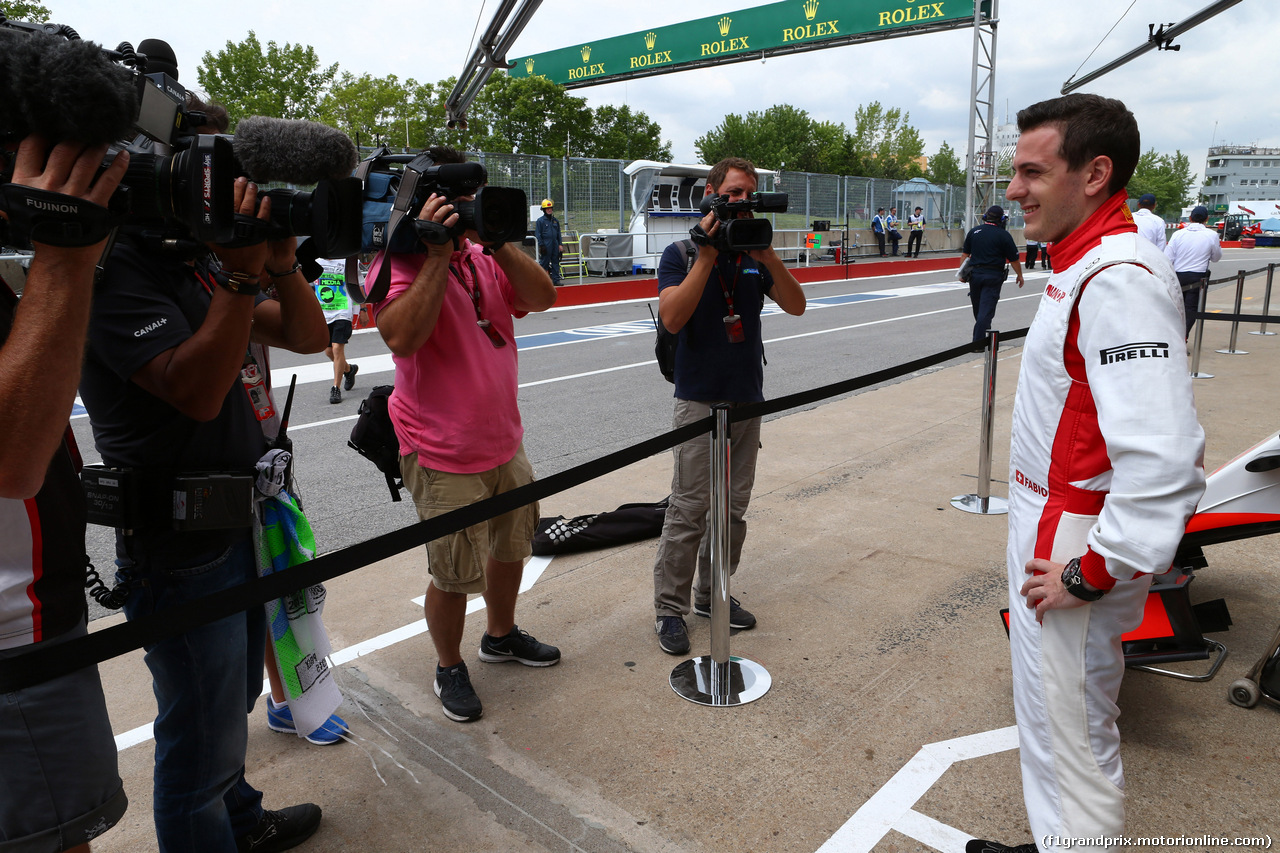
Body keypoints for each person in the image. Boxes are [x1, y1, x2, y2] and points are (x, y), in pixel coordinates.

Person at [78, 96, 330, 853]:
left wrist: (276, 265)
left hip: (240, 521)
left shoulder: (199, 259)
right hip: (179, 539)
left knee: (233, 701)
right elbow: (194, 389)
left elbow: (312, 337)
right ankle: (215, 822)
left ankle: (241, 819)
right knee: (198, 733)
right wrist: (235, 277)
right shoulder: (116, 266)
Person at [968, 93, 1205, 853]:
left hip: (1070, 538)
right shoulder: (1087, 263)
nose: (1013, 189)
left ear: (1096, 173)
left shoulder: (1119, 279)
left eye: (1032, 171)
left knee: (1072, 736)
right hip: (1050, 522)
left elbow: (1166, 459)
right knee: (1046, 715)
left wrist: (1091, 573)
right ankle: (1053, 839)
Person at [369, 145, 560, 724]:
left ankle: (499, 635)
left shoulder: (484, 255)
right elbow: (400, 337)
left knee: (511, 549)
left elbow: (543, 297)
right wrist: (434, 255)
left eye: (470, 200)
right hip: (440, 450)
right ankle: (448, 664)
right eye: (454, 202)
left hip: (504, 439)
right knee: (451, 571)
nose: (466, 211)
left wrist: (496, 238)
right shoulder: (397, 260)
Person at [0, 136, 131, 853]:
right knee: (56, 840)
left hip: (36, 622)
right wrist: (65, 250)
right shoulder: (55, 255)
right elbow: (11, 463)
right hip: (14, 635)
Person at [651, 156, 807, 655]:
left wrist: (767, 257)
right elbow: (672, 320)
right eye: (734, 192)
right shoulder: (679, 251)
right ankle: (669, 609)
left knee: (733, 510)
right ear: (711, 193)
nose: (741, 201)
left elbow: (797, 305)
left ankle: (711, 594)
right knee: (690, 508)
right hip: (697, 401)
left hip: (746, 399)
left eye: (749, 193)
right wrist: (705, 255)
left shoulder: (751, 255)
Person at [960, 205, 1025, 343]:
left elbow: (965, 254)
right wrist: (1019, 275)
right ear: (1001, 219)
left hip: (974, 275)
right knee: (986, 309)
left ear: (985, 217)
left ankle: (984, 334)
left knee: (978, 309)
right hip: (993, 275)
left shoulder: (974, 231)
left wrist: (962, 273)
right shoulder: (1004, 235)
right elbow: (1014, 259)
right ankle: (978, 342)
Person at [1164, 205, 1222, 337]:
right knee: (1191, 310)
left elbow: (1168, 257)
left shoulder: (1178, 234)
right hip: (1198, 277)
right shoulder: (1212, 235)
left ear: (1190, 218)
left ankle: (1173, 337)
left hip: (1178, 276)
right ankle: (1182, 338)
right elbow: (1216, 258)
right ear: (1206, 219)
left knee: (1176, 308)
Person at [311, 256, 361, 403]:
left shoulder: (350, 262)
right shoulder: (315, 262)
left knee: (337, 348)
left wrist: (362, 308)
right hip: (323, 313)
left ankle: (335, 389)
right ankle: (349, 370)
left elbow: (358, 286)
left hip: (342, 312)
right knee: (328, 351)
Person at [534, 198, 562, 286]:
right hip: (546, 244)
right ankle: (540, 281)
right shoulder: (540, 221)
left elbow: (558, 234)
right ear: (544, 210)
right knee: (544, 263)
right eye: (547, 209)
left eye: (550, 208)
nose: (549, 210)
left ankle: (556, 280)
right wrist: (542, 245)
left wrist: (560, 244)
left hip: (555, 244)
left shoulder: (555, 221)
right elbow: (538, 234)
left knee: (555, 262)